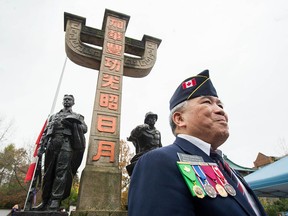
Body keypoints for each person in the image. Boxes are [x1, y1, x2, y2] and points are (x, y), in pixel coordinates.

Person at [128, 70, 267, 216]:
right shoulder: (158, 161)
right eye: (207, 102)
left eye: (220, 105)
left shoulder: (230, 172)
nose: (220, 110)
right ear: (179, 119)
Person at [35, 94, 87, 211]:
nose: (67, 101)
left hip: (66, 144)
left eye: (69, 100)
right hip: (52, 144)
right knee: (48, 173)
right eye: (65, 99)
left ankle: (55, 200)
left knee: (61, 172)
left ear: (73, 102)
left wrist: (73, 124)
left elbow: (84, 129)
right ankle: (45, 200)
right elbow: (46, 132)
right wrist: (41, 146)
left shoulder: (77, 116)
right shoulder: (54, 116)